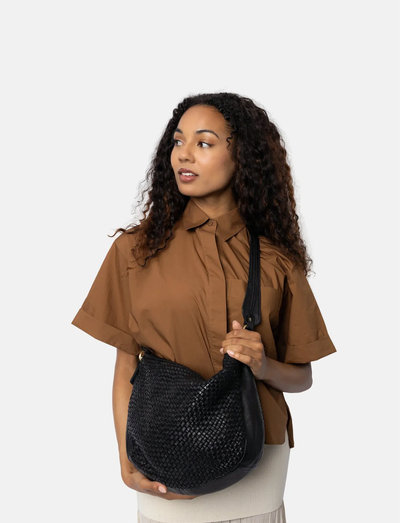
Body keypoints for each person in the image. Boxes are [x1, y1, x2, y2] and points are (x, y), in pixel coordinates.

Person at [71, 92, 337, 523]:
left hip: (256, 458)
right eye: (178, 141)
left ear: (242, 156)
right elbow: (125, 367)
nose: (184, 154)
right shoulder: (134, 251)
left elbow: (302, 377)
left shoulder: (275, 261)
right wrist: (125, 457)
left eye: (204, 142)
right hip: (162, 456)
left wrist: (263, 365)